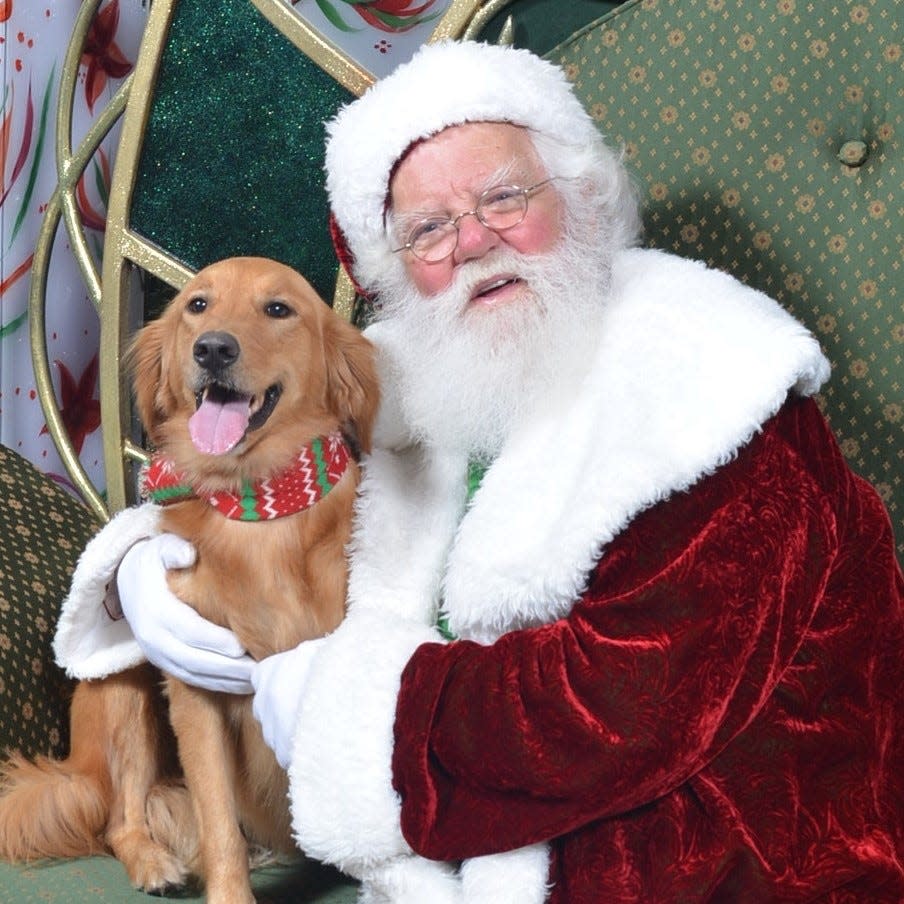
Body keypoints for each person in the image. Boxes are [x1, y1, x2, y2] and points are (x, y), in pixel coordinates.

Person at [54, 40, 903, 903]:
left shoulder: (713, 382)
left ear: (581, 198)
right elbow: (253, 465)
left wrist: (337, 700)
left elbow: (619, 709)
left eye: (503, 197)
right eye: (428, 229)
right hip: (466, 845)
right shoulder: (413, 375)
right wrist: (140, 571)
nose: (471, 242)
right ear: (399, 271)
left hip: (735, 853)